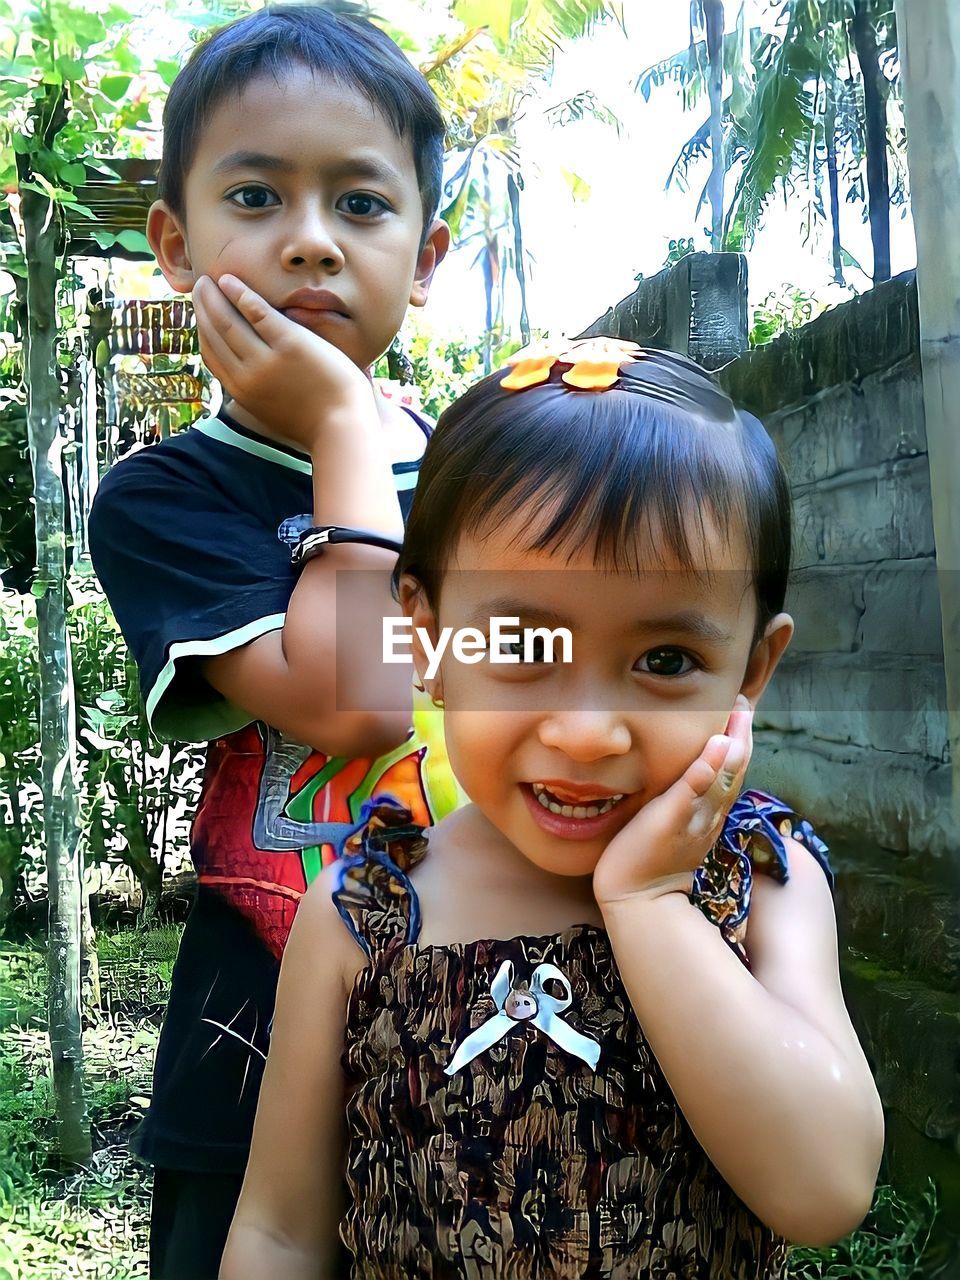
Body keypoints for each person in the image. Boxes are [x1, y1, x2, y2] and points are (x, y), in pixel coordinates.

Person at [222, 338, 885, 1279]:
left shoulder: (757, 878)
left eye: (664, 662)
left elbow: (823, 1190)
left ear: (752, 669)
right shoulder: (363, 917)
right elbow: (279, 1231)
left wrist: (650, 903)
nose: (584, 732)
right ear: (429, 641)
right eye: (524, 645)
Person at [87, 6, 455, 1277]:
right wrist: (347, 427)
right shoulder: (164, 499)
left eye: (361, 204)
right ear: (179, 248)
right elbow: (357, 701)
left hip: (482, 1017)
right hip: (254, 1026)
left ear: (425, 256)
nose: (309, 239)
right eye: (257, 195)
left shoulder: (495, 473)